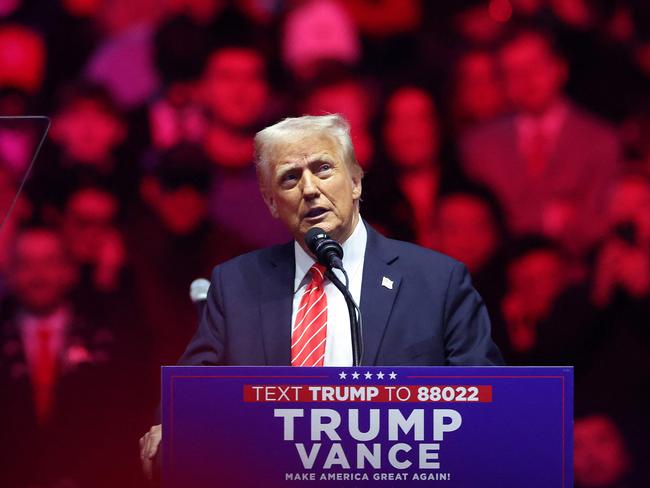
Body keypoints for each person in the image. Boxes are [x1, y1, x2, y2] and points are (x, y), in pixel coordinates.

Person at [138, 114, 503, 477]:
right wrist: (174, 428)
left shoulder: (436, 281)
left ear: (357, 181)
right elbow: (186, 397)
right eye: (290, 178)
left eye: (323, 169)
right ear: (270, 202)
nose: (309, 189)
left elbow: (487, 403)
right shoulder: (237, 285)